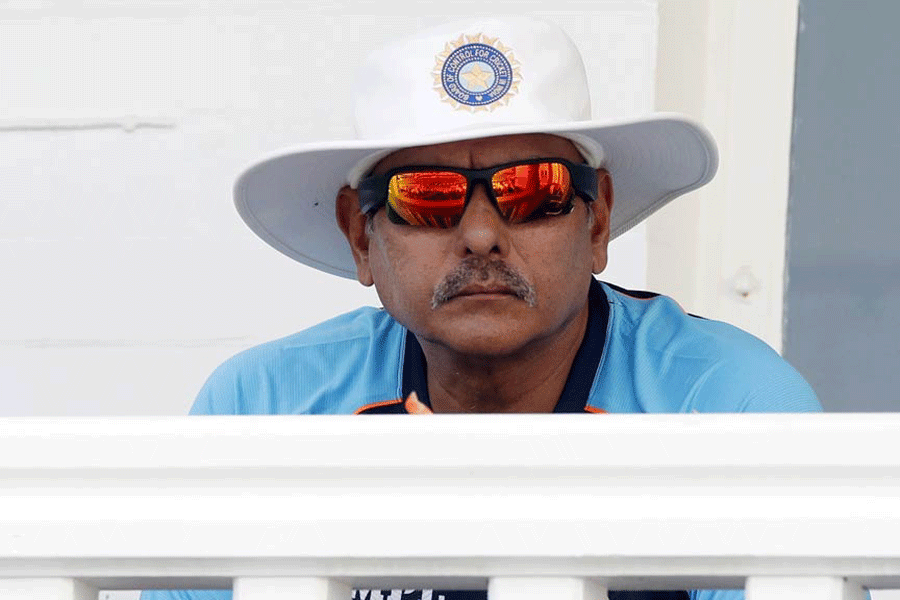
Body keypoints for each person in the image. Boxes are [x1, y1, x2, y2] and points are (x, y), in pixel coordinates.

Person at [141, 15, 819, 600]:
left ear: (597, 220)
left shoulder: (730, 402)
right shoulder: (263, 405)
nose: (480, 235)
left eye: (532, 191)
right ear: (361, 237)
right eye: (426, 195)